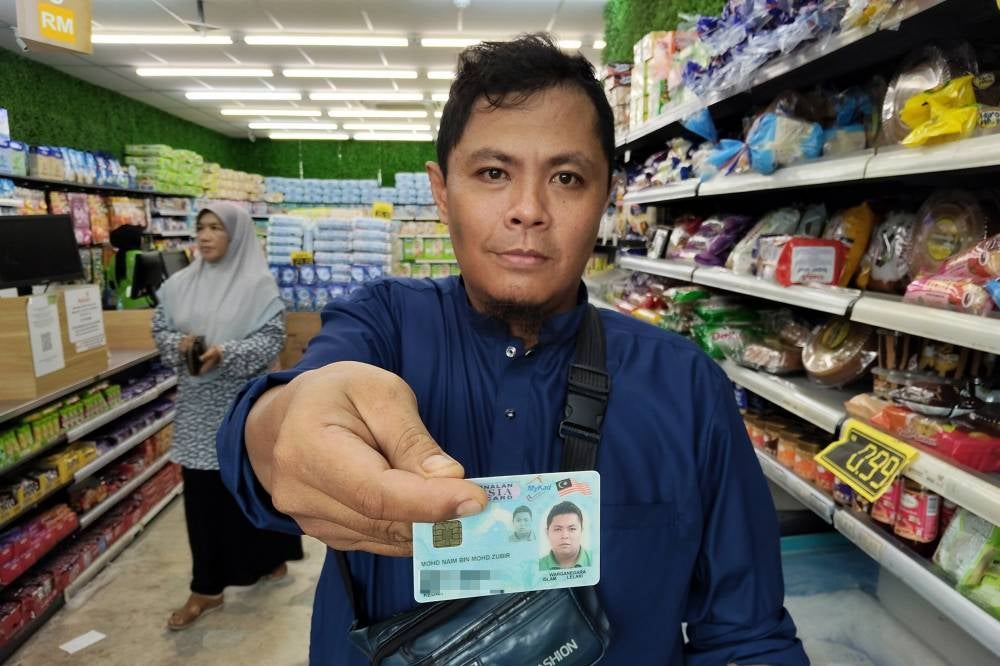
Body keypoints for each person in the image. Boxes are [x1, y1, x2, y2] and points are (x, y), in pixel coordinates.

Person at [218, 34, 808, 665]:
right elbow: (277, 427)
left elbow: (746, 634)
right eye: (493, 173)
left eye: (566, 177)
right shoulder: (384, 325)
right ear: (442, 192)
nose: (528, 210)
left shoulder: (685, 387)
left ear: (608, 196)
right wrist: (282, 430)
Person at [152, 202, 303, 630]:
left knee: (255, 490)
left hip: (244, 409)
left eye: (216, 228)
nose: (205, 236)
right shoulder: (179, 284)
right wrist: (179, 346)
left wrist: (228, 352)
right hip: (198, 412)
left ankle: (272, 557)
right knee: (204, 502)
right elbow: (159, 330)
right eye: (200, 228)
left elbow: (271, 338)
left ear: (235, 236)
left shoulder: (259, 287)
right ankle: (207, 588)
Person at [538, 502, 589, 570]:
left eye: (572, 529)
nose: (565, 536)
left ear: (581, 531)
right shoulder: (535, 568)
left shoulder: (597, 560)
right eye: (558, 529)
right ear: (547, 533)